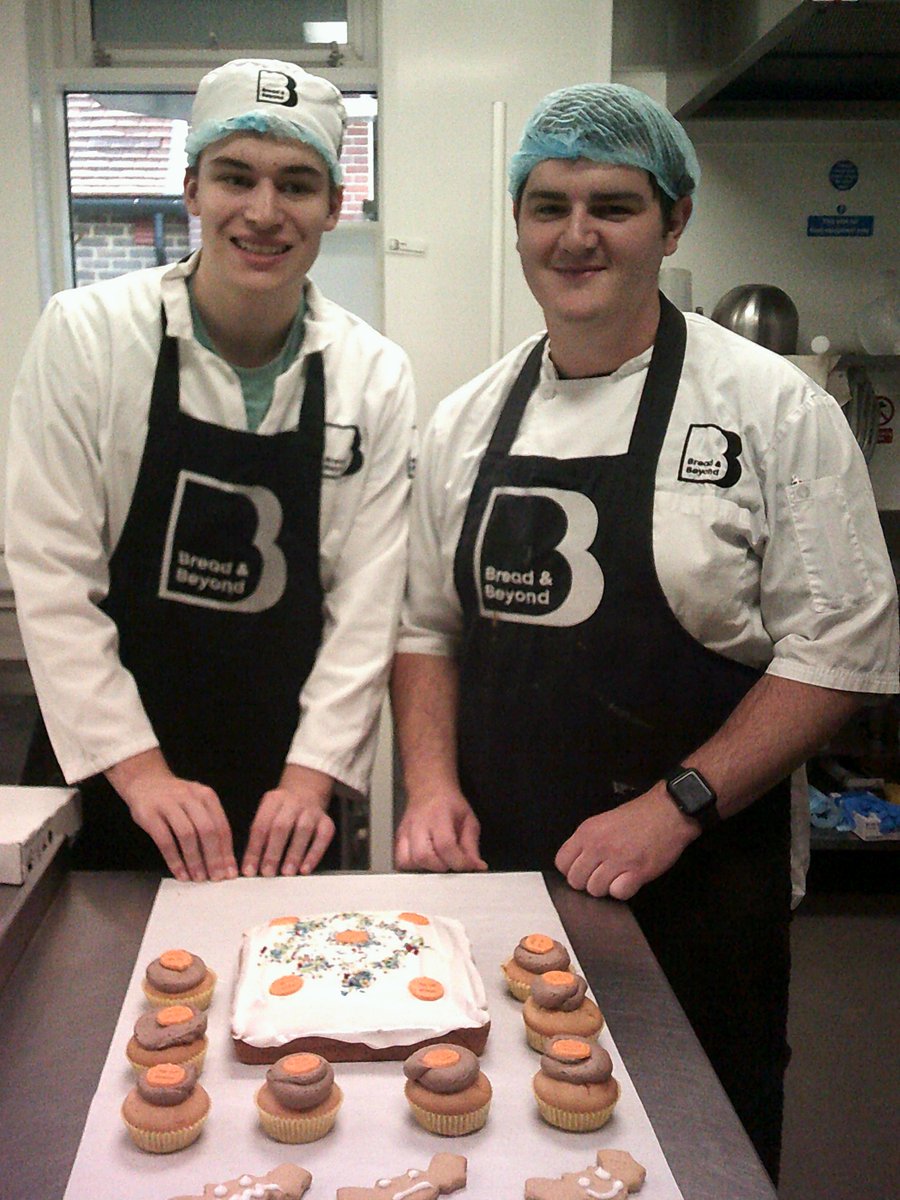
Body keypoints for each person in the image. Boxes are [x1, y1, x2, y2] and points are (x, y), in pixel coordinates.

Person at [391, 83, 898, 1181]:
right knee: (491, 1129)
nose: (577, 236)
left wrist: (679, 803)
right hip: (502, 869)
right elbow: (425, 627)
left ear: (673, 224)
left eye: (613, 206)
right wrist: (430, 788)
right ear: (519, 224)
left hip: (700, 884)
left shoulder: (772, 410)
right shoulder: (466, 418)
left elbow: (843, 650)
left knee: (692, 1148)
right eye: (549, 205)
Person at [6, 59, 415, 884]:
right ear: (192, 188)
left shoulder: (374, 373)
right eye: (236, 177)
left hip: (287, 787)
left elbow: (367, 602)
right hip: (112, 774)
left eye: (298, 185)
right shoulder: (88, 335)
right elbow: (52, 575)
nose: (263, 213)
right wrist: (138, 771)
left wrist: (312, 777)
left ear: (334, 205)